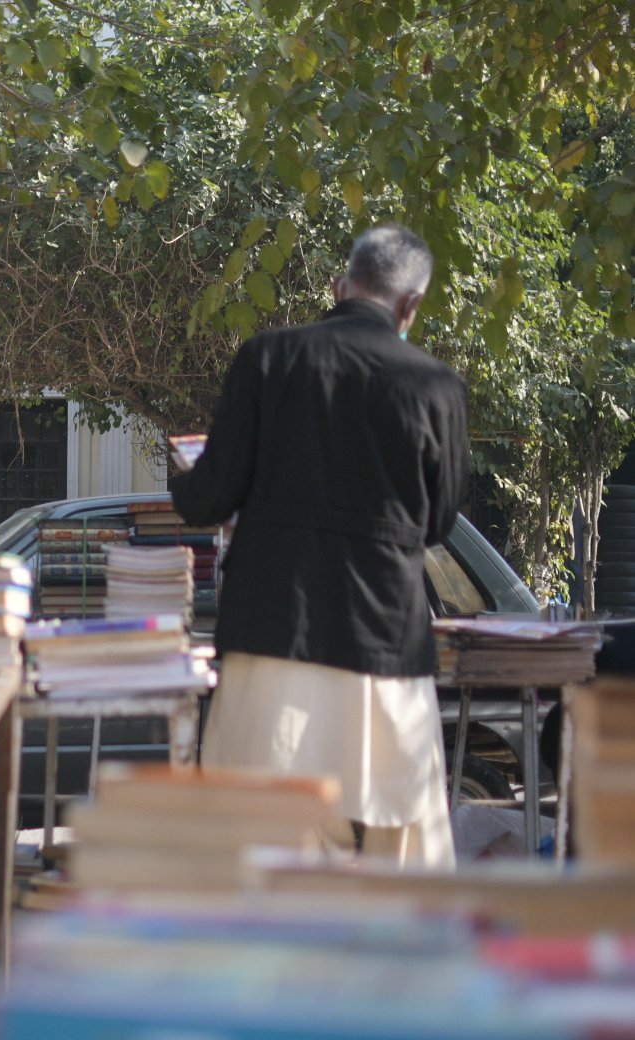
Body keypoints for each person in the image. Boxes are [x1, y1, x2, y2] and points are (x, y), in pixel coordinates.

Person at [170, 223, 468, 869]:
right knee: (403, 846)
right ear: (411, 305)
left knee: (260, 847)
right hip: (384, 641)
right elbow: (438, 523)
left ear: (340, 285)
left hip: (273, 631)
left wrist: (183, 475)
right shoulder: (436, 385)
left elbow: (207, 500)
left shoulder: (268, 359)